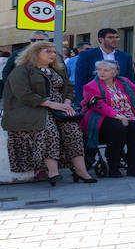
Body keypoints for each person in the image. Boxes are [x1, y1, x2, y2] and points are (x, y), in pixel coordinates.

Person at [2, 41, 97, 185]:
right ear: (35, 52)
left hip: (60, 108)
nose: (53, 54)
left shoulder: (58, 69)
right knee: (49, 130)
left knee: (74, 131)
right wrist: (52, 104)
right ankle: (53, 172)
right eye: (48, 51)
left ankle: (81, 171)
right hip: (33, 109)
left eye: (54, 52)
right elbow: (23, 94)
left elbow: (69, 88)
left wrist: (66, 103)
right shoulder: (22, 70)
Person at [81, 60, 135, 177]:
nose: (101, 72)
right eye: (99, 70)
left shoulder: (123, 81)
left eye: (106, 70)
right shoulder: (91, 86)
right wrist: (118, 116)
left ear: (114, 72)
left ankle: (134, 166)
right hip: (102, 117)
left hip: (127, 115)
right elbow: (99, 106)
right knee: (117, 127)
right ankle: (114, 165)